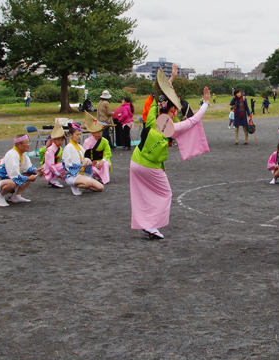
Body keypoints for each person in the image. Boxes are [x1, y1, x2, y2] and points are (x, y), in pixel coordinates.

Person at [129, 69, 210, 240]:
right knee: (166, 194)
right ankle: (151, 225)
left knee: (142, 193)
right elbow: (193, 120)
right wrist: (206, 103)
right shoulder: (171, 128)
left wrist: (170, 81)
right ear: (172, 111)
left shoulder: (152, 117)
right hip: (150, 167)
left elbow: (157, 99)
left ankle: (146, 222)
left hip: (135, 162)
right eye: (175, 109)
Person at [0, 133, 38, 206]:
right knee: (12, 183)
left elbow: (28, 168)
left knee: (30, 173)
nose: (29, 144)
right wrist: (28, 178)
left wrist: (36, 171)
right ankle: (1, 197)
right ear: (19, 145)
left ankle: (16, 196)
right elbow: (14, 176)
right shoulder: (12, 154)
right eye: (26, 142)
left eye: (29, 142)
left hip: (8, 179)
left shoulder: (22, 154)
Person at [82, 113, 113, 186]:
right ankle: (95, 177)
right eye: (97, 132)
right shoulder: (87, 141)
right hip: (93, 162)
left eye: (100, 131)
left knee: (106, 164)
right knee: (92, 168)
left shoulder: (104, 141)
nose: (99, 134)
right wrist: (92, 161)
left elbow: (107, 152)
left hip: (101, 160)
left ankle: (103, 179)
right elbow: (86, 154)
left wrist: (103, 160)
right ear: (92, 133)